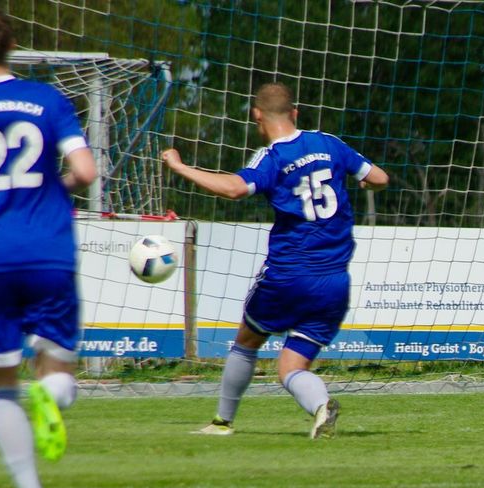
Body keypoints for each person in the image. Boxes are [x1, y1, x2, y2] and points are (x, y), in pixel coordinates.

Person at [161, 82, 388, 439]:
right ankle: (321, 405)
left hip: (288, 276)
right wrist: (366, 185)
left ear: (257, 116)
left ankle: (222, 422)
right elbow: (379, 178)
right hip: (334, 282)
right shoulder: (329, 143)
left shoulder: (272, 157)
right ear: (295, 113)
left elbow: (235, 188)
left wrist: (180, 167)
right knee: (291, 367)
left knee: (247, 341)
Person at [0, 6, 98, 488]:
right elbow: (85, 171)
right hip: (48, 249)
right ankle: (51, 394)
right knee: (57, 367)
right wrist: (57, 185)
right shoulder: (47, 99)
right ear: (12, 45)